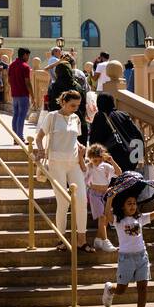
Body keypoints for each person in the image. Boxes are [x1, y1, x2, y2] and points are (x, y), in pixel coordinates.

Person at [34, 89, 91, 251]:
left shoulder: (76, 118)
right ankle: (61, 239)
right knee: (63, 202)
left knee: (81, 200)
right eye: (73, 105)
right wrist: (40, 150)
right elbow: (39, 137)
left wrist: (81, 154)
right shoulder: (52, 116)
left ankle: (82, 239)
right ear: (63, 102)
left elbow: (75, 140)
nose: (75, 108)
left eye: (78, 105)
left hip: (73, 163)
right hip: (56, 163)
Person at [101, 188, 154, 307]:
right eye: (129, 203)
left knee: (143, 288)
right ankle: (110, 289)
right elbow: (107, 215)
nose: (132, 206)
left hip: (142, 257)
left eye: (134, 203)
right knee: (121, 290)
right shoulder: (118, 220)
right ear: (123, 206)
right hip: (126, 259)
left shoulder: (140, 218)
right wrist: (110, 199)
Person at [85, 143, 119, 252]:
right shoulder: (89, 167)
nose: (98, 163)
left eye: (99, 160)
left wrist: (111, 161)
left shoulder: (106, 166)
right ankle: (105, 241)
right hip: (94, 194)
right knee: (102, 217)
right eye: (95, 160)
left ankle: (98, 240)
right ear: (90, 159)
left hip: (105, 194)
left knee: (105, 218)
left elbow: (119, 173)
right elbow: (84, 179)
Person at [8, 47, 32, 140]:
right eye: (28, 55)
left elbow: (9, 80)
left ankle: (15, 137)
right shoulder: (25, 66)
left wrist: (14, 87)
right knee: (21, 116)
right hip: (23, 95)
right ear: (25, 55)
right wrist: (33, 96)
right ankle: (20, 137)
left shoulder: (12, 65)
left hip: (14, 94)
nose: (28, 58)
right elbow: (28, 83)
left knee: (15, 115)